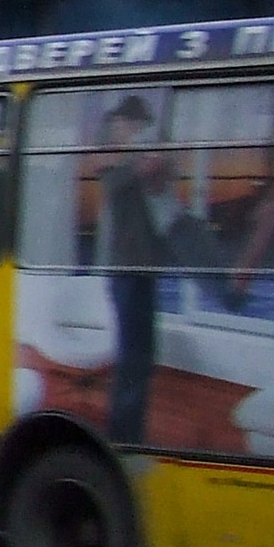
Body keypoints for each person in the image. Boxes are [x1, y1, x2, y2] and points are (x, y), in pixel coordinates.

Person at [88, 95, 174, 444]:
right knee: (131, 357)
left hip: (145, 268)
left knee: (143, 356)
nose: (128, 129)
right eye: (126, 123)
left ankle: (131, 432)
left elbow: (160, 187)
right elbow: (113, 181)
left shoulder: (148, 156)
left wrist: (156, 164)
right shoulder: (115, 160)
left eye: (132, 123)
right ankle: (122, 437)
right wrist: (141, 164)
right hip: (125, 271)